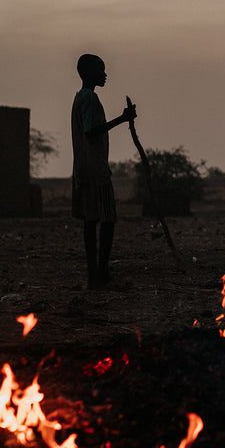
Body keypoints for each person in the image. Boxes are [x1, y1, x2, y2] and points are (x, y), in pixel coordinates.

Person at [71, 54, 137, 289]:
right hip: (96, 169)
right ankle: (102, 272)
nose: (105, 75)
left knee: (91, 220)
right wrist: (123, 118)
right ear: (88, 73)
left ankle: (94, 276)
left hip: (83, 168)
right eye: (101, 71)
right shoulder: (89, 98)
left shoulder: (79, 98)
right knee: (107, 219)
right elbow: (91, 131)